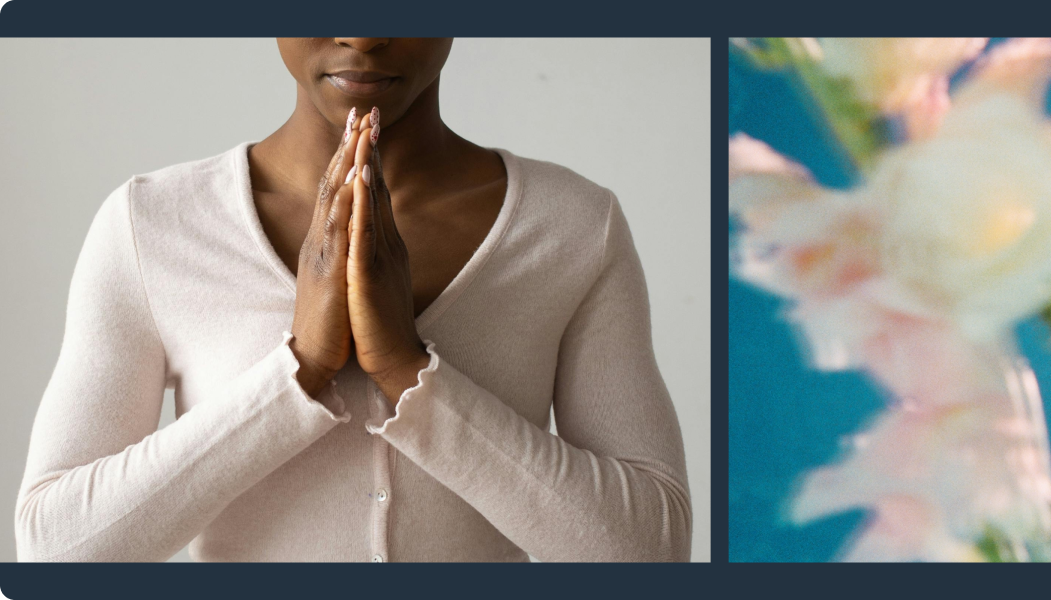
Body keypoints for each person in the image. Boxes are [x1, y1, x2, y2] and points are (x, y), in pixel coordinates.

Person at [14, 37, 691, 562]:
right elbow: (57, 548)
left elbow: (650, 552)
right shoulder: (154, 225)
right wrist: (298, 370)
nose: (363, 34)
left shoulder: (572, 225)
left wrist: (406, 369)